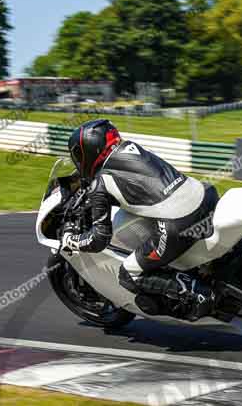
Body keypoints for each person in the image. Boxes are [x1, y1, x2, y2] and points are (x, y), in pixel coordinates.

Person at [60, 118, 219, 321]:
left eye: (78, 155)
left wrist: (71, 241)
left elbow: (100, 239)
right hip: (204, 194)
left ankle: (198, 292)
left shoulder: (101, 182)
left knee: (129, 274)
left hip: (180, 222)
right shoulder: (131, 148)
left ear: (89, 152)